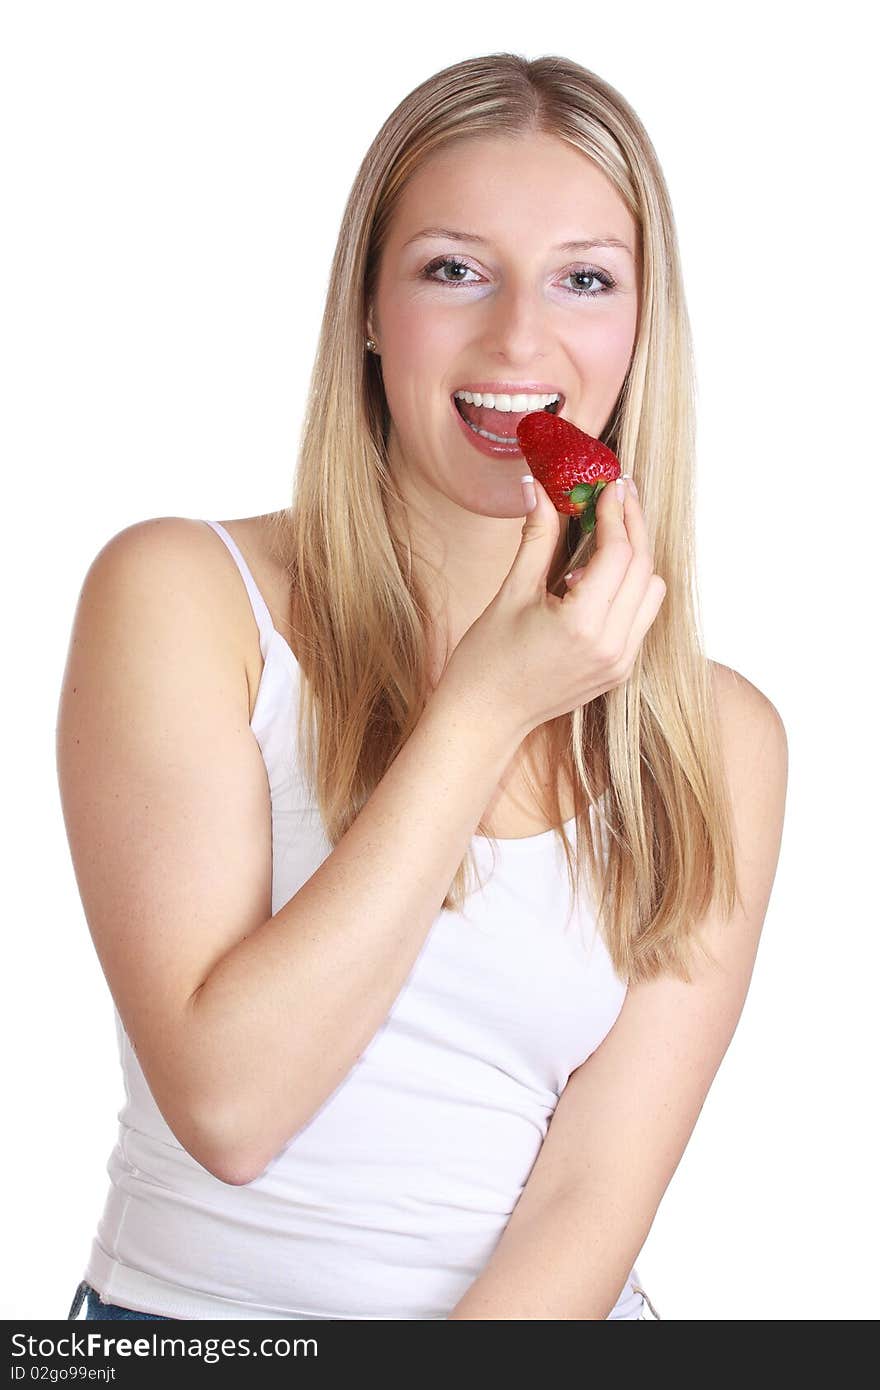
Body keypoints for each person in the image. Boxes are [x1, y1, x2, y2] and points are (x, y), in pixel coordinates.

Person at [57, 52, 787, 1322]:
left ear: (639, 326)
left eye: (584, 278)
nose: (519, 336)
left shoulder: (718, 737)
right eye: (454, 269)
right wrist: (488, 705)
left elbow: (591, 1205)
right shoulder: (184, 597)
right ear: (368, 308)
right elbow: (230, 1105)